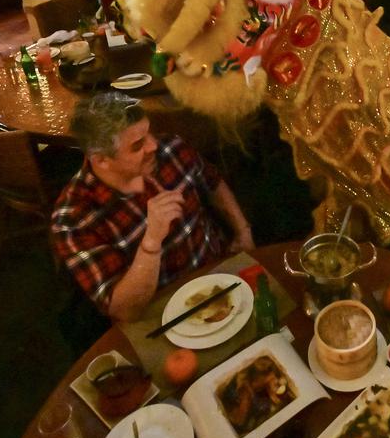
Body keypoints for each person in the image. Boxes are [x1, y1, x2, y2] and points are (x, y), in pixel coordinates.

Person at [51, 94, 254, 321]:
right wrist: (151, 241)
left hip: (220, 270)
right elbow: (124, 310)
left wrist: (242, 230)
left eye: (149, 133)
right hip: (162, 312)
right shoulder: (75, 219)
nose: (154, 145)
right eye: (137, 145)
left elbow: (213, 182)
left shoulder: (171, 149)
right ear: (101, 160)